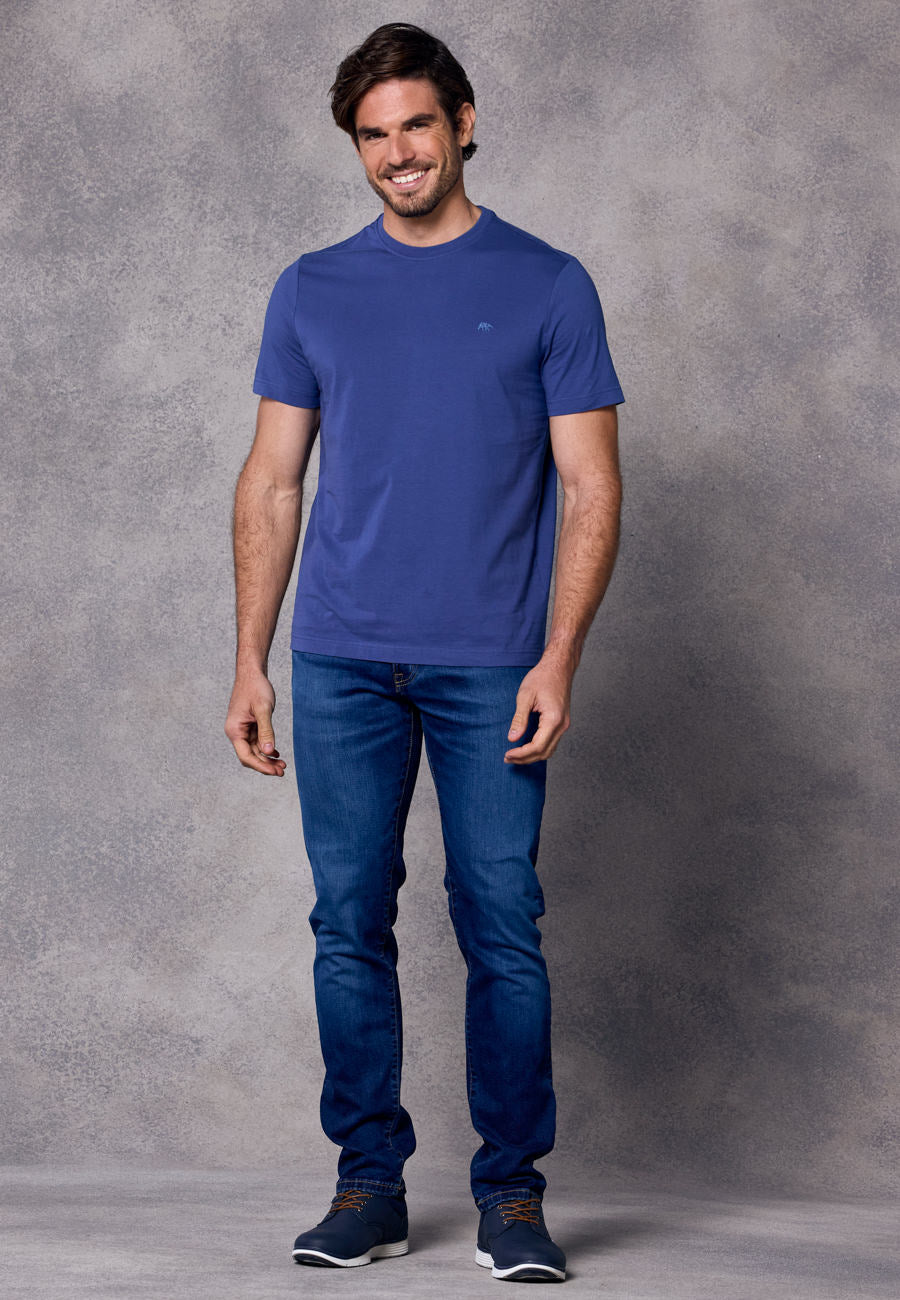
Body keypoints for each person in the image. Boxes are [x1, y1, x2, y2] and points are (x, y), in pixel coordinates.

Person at [225, 20, 624, 1284]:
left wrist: (558, 657)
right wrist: (251, 657)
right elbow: (272, 481)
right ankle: (370, 1185)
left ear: (464, 123)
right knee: (348, 922)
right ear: (356, 149)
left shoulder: (550, 283)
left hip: (492, 664)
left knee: (501, 920)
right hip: (341, 659)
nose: (397, 152)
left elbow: (591, 484)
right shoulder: (311, 288)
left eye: (416, 125)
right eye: (373, 135)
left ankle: (512, 1196)